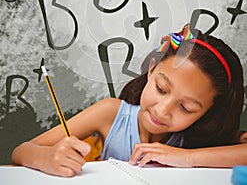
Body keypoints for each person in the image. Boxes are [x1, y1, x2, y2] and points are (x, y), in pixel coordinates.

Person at [11, 24, 247, 177]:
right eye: (161, 89)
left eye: (186, 108)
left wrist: (187, 158)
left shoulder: (203, 137)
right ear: (152, 69)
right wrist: (47, 157)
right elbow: (21, 151)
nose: (162, 110)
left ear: (208, 112)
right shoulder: (111, 114)